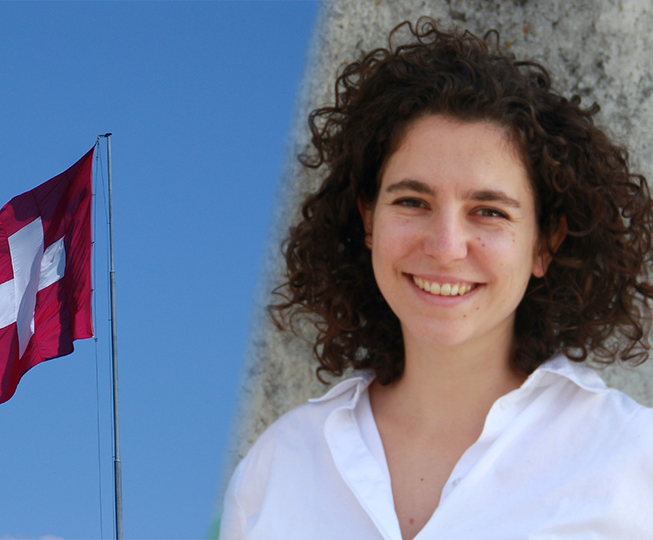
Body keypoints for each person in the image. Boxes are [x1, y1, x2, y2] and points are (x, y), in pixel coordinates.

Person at [220, 18, 653, 540]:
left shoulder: (632, 464)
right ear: (368, 222)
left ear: (545, 243)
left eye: (489, 211)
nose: (445, 246)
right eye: (412, 201)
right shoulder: (278, 468)